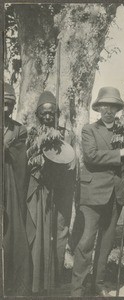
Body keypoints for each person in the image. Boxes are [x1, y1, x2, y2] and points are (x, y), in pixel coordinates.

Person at [71, 87, 124, 297]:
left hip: (116, 195)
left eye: (113, 106)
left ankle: (97, 285)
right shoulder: (89, 130)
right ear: (98, 108)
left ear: (117, 109)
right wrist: (121, 152)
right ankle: (77, 289)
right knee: (86, 242)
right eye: (104, 105)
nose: (108, 110)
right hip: (93, 194)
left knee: (106, 245)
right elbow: (91, 156)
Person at [25, 91, 77, 294]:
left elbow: (73, 161)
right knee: (42, 232)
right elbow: (27, 162)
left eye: (52, 113)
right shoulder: (32, 135)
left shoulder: (66, 134)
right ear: (38, 114)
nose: (48, 117)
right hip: (41, 189)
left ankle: (56, 276)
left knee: (61, 231)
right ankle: (39, 279)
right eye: (44, 113)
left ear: (57, 114)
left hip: (62, 189)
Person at [3, 82, 31, 295]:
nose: (6, 109)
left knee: (11, 234)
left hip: (9, 187)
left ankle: (13, 285)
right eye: (3, 103)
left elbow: (19, 160)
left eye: (10, 104)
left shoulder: (19, 129)